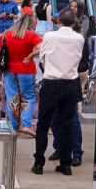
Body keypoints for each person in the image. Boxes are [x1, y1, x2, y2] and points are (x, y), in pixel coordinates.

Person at [33, 10, 84, 176]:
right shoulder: (79, 38)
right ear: (74, 22)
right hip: (70, 85)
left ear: (58, 21)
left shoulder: (49, 36)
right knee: (67, 125)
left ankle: (39, 163)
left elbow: (42, 58)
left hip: (51, 83)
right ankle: (66, 164)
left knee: (43, 124)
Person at [0, 14, 41, 136]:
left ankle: (14, 127)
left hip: (9, 70)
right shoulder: (32, 35)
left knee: (12, 97)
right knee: (28, 97)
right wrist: (31, 55)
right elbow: (42, 48)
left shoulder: (6, 34)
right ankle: (26, 125)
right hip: (26, 69)